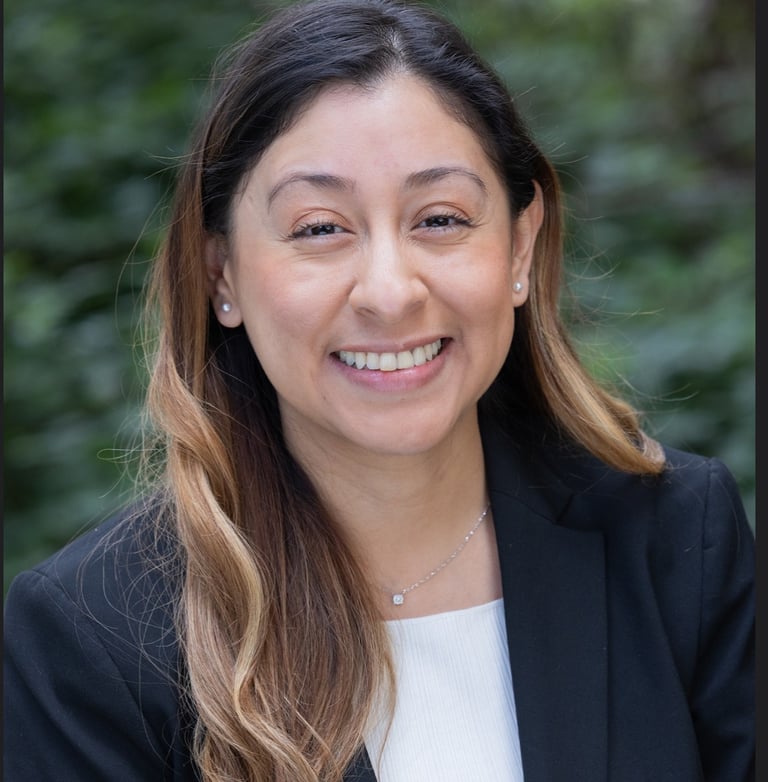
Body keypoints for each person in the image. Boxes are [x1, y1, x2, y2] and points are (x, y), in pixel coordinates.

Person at [3, 1, 754, 780]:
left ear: (520, 246)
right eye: (320, 228)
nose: (390, 293)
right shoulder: (93, 638)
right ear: (220, 274)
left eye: (439, 218)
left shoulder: (676, 542)